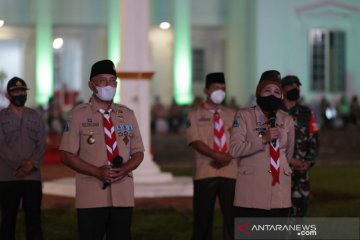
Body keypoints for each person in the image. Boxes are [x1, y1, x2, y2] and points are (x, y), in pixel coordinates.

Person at [59, 60, 144, 240]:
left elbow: (138, 152)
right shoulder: (78, 115)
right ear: (91, 85)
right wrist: (96, 171)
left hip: (123, 194)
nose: (108, 85)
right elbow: (66, 155)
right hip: (91, 194)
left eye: (112, 80)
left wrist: (126, 168)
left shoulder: (127, 114)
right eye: (102, 81)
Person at [230, 70, 295, 217]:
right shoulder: (244, 115)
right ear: (259, 93)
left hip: (279, 193)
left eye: (277, 92)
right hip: (251, 193)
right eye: (267, 90)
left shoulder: (287, 120)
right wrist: (262, 140)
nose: (272, 95)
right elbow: (234, 149)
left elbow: (288, 153)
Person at [186, 72, 237, 240]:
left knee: (233, 219)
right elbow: (194, 140)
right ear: (206, 90)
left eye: (223, 89)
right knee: (203, 219)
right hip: (205, 171)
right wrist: (215, 155)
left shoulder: (232, 114)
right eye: (216, 88)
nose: (220, 92)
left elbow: (240, 139)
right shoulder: (194, 114)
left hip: (230, 172)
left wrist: (227, 156)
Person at [0, 77, 46, 240]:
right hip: (8, 177)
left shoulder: (35, 116)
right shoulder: (1, 117)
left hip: (32, 178)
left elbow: (42, 143)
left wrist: (31, 164)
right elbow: (2, 147)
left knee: (34, 221)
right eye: (16, 91)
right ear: (8, 95)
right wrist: (22, 164)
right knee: (7, 221)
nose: (20, 94)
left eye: (22, 91)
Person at [280, 75, 319, 217]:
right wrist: (289, 160)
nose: (295, 88)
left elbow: (314, 139)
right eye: (290, 86)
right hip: (279, 171)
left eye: (297, 86)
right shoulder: (274, 112)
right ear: (283, 90)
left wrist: (309, 161)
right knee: (279, 214)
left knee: (300, 213)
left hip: (301, 173)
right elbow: (268, 143)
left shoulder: (307, 113)